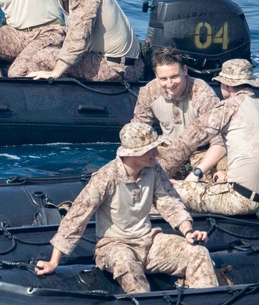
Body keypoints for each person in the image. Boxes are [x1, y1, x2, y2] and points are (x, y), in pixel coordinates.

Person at [34, 121, 217, 294]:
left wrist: (188, 231)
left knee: (198, 253)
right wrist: (54, 261)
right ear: (133, 153)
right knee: (125, 262)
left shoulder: (153, 170)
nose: (156, 152)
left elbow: (169, 202)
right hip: (113, 245)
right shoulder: (106, 177)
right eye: (150, 149)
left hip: (149, 241)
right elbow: (76, 217)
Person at [158, 58, 259, 216]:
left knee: (165, 189)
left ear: (226, 85)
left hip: (240, 200)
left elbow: (188, 140)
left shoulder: (229, 106)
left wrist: (157, 173)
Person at [25, 0, 143, 82]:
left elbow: (78, 39)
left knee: (40, 58)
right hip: (114, 60)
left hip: (118, 68)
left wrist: (55, 72)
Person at [131, 45, 222, 177]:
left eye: (174, 77)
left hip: (200, 152)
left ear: (184, 70)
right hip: (168, 149)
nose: (169, 84)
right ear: (156, 75)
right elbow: (137, 131)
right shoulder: (150, 92)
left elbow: (219, 140)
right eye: (163, 79)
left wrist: (197, 173)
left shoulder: (201, 93)